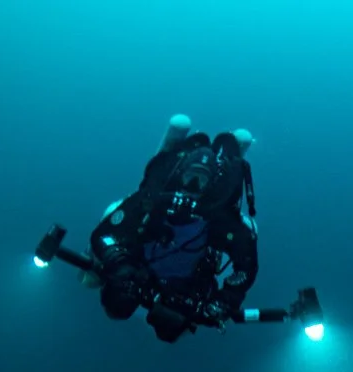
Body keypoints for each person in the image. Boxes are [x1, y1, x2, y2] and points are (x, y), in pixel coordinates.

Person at [88, 119, 259, 342]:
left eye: (201, 181)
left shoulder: (221, 219)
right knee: (117, 306)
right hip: (138, 269)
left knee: (170, 329)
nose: (193, 186)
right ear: (180, 174)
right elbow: (104, 233)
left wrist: (224, 300)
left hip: (186, 285)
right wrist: (119, 262)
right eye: (191, 177)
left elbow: (246, 265)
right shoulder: (151, 201)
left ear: (212, 185)